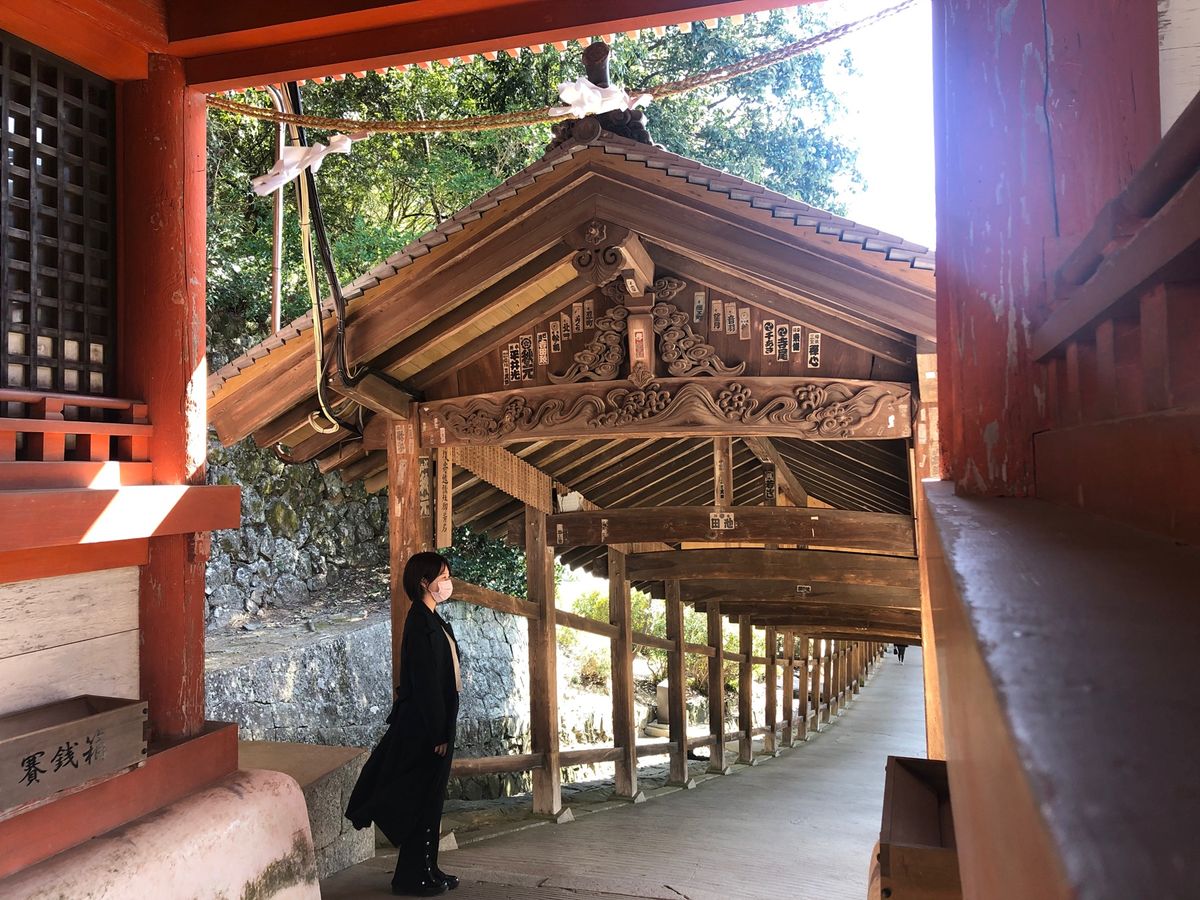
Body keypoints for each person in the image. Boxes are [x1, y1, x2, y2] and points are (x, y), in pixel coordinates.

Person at [346, 552, 462, 896]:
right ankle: (413, 876)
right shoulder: (419, 623)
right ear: (424, 582)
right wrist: (438, 731)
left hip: (436, 721)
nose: (448, 582)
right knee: (421, 798)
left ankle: (427, 868)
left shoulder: (433, 620)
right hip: (425, 726)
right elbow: (425, 682)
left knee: (430, 798)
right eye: (443, 577)